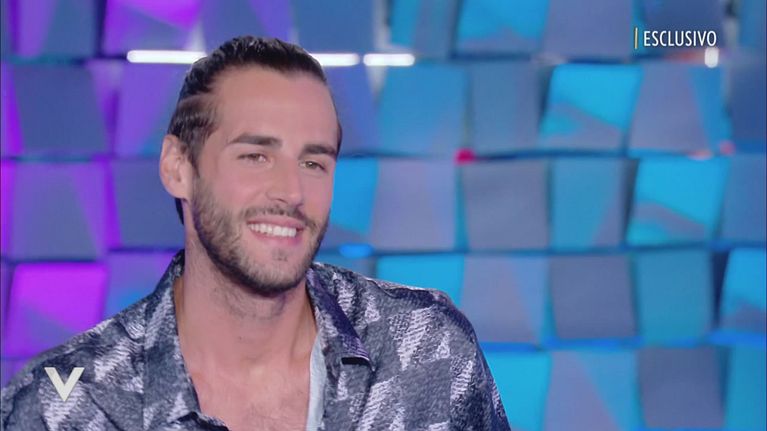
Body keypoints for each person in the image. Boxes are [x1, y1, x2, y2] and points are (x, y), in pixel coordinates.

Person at [1, 36, 510, 430]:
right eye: (255, 156)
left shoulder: (427, 350)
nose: (291, 191)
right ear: (178, 167)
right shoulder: (65, 406)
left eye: (313, 162)